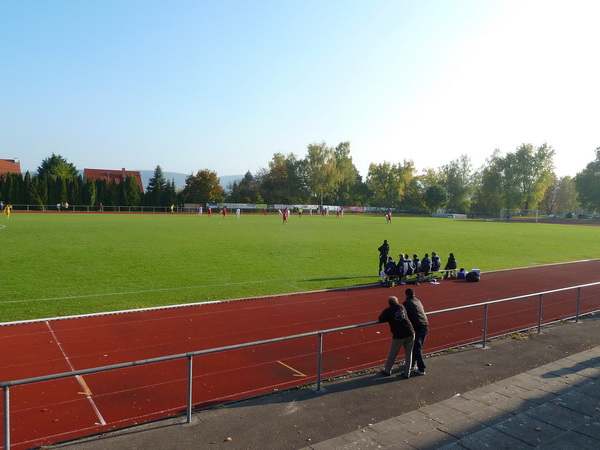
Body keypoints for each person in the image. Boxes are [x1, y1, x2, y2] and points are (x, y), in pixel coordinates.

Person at [378, 296, 415, 378]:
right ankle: (407, 372)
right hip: (410, 331)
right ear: (397, 302)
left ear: (389, 303)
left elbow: (381, 319)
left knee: (393, 353)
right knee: (409, 353)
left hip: (399, 335)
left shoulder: (388, 311)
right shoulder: (402, 306)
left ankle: (387, 370)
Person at [402, 288, 428, 376]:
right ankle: (412, 364)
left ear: (406, 294)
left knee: (417, 348)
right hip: (425, 325)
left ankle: (421, 368)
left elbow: (402, 314)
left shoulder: (406, 303)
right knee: (417, 347)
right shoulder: (418, 301)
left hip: (418, 327)